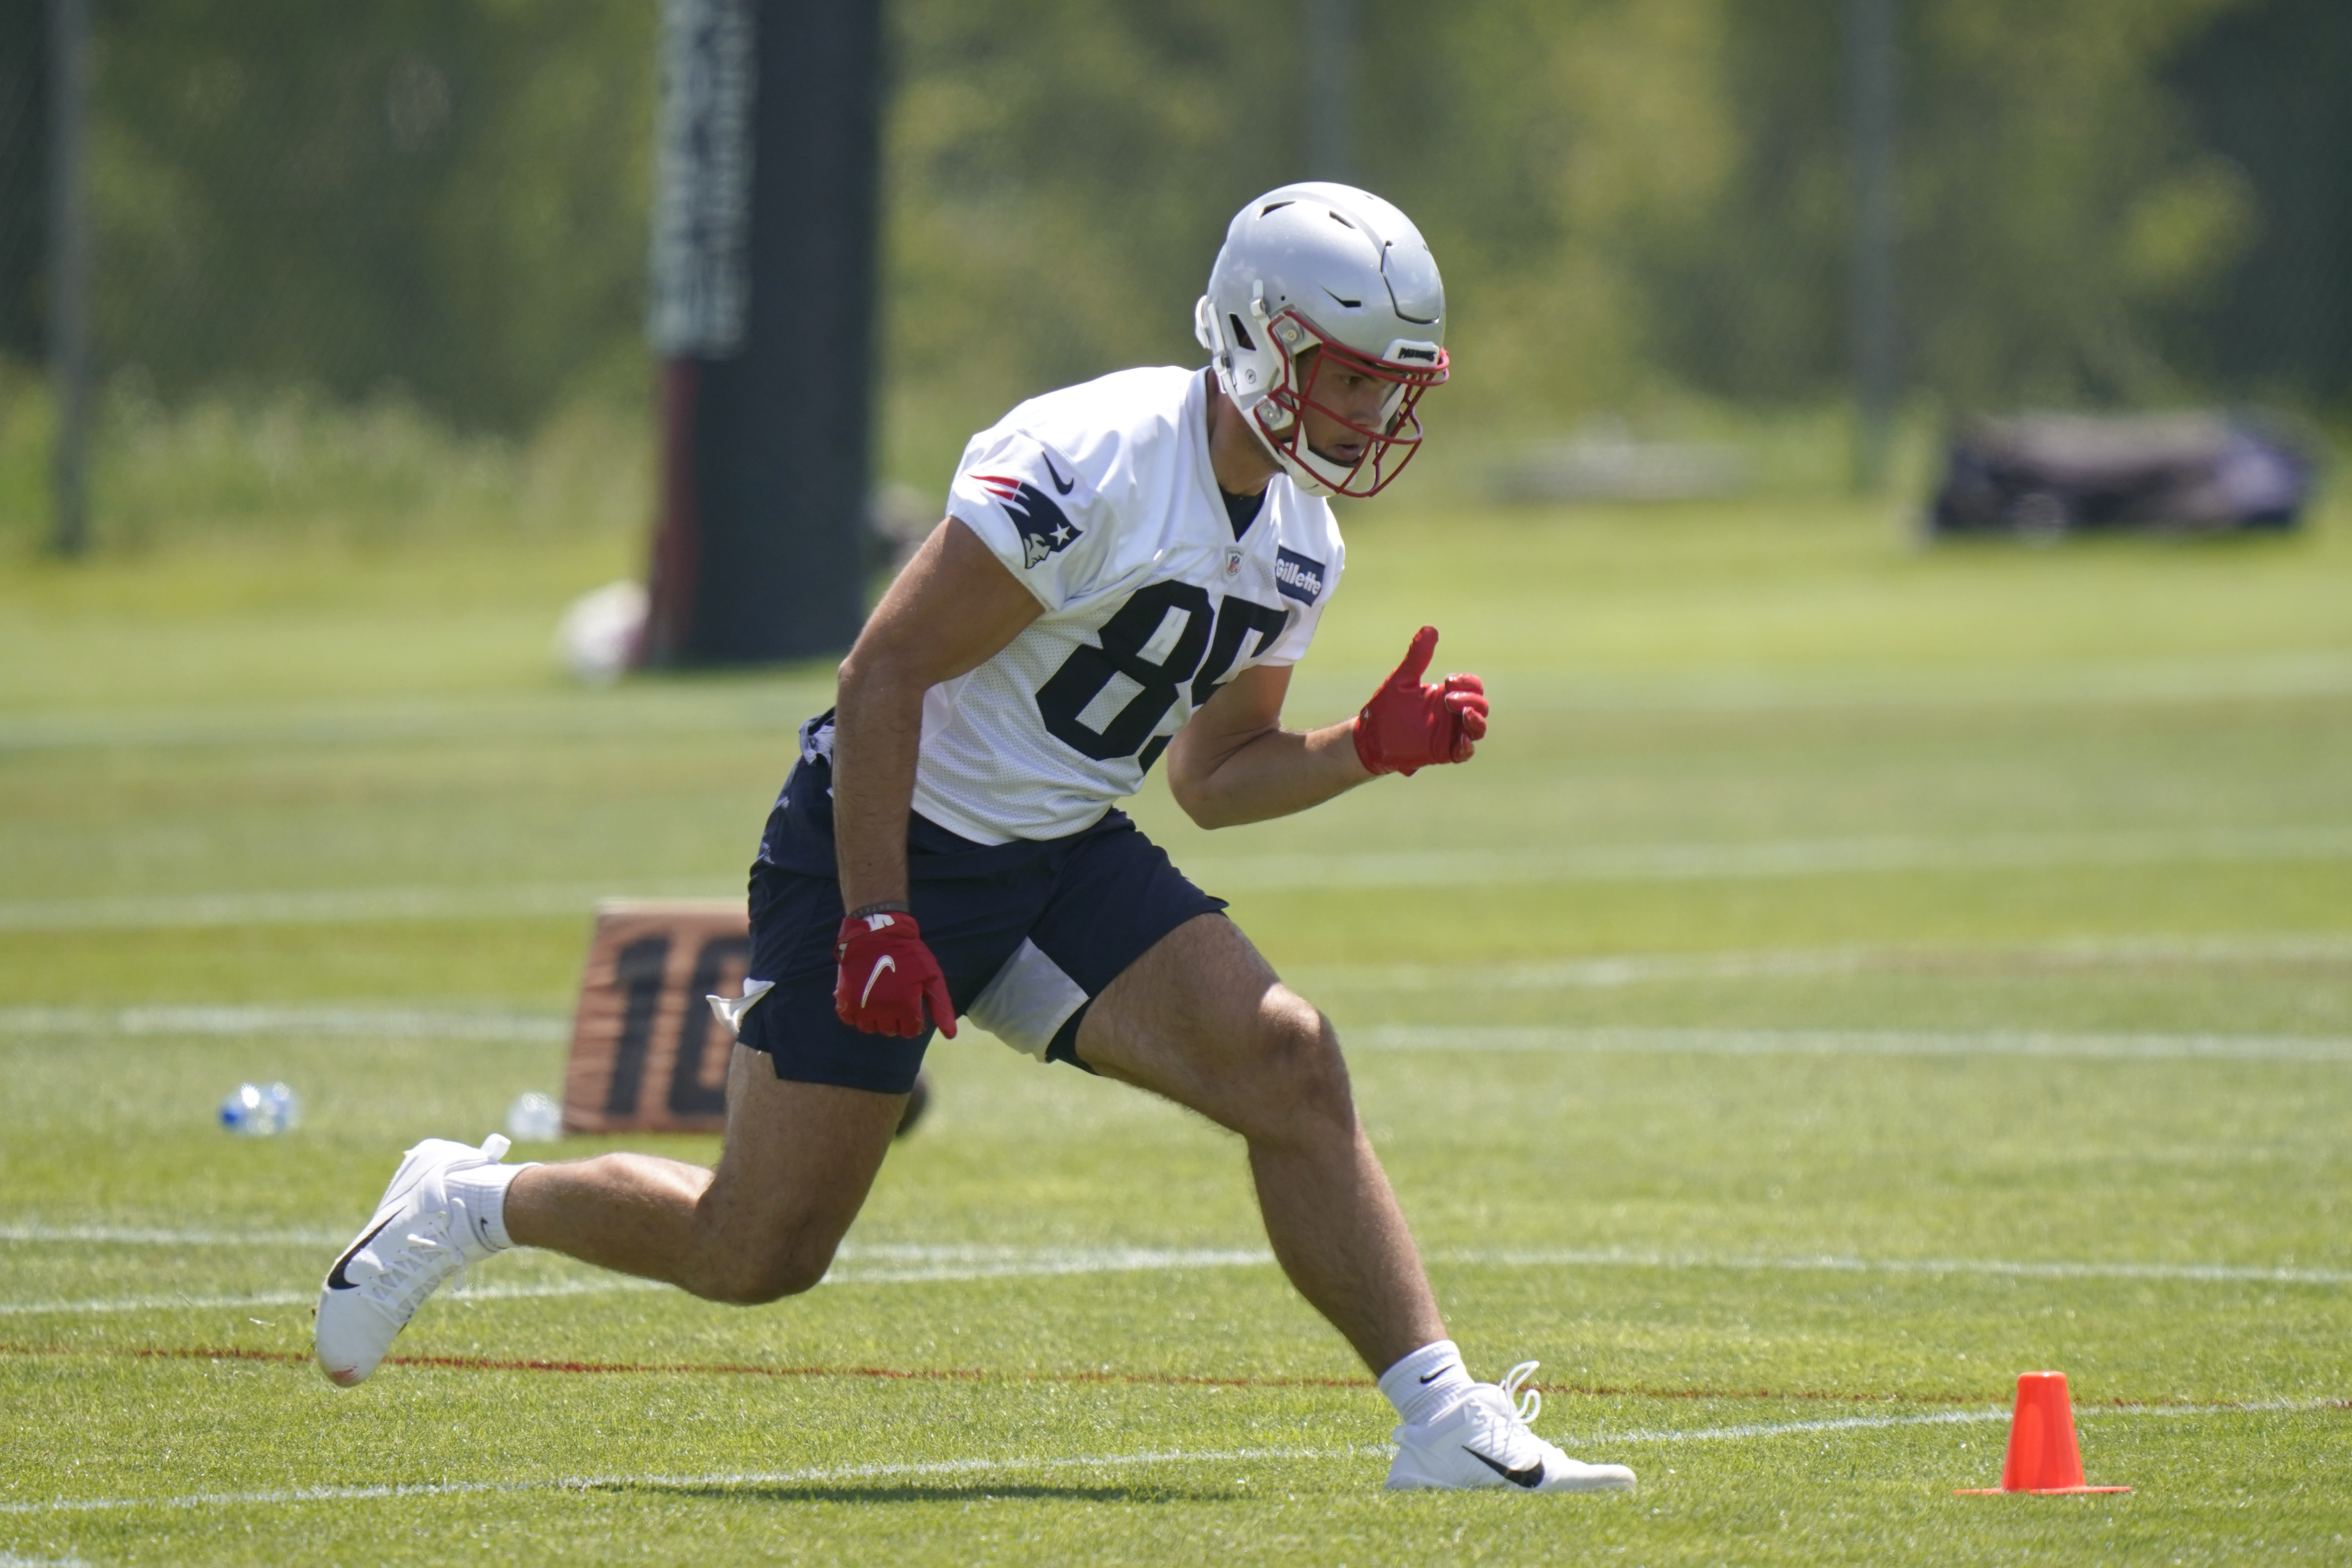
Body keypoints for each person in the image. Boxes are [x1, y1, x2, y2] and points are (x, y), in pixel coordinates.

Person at [314, 182, 1636, 1494]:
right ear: (1255, 337)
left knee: (1288, 1059)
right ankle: (470, 1203)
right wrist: (880, 913)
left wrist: (1364, 748)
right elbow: (880, 674)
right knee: (760, 1245)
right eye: (1348, 380)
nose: (1374, 416)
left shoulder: (1301, 538)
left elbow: (1212, 777)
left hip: (1060, 846)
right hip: (887, 840)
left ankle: (1443, 1418)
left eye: (1393, 388)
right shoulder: (1096, 455)